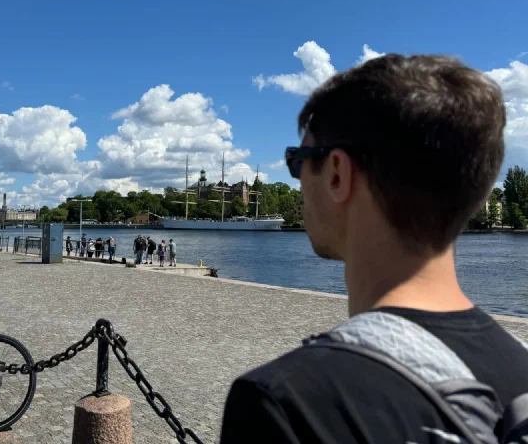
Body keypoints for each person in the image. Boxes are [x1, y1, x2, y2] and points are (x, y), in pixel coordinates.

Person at [220, 54, 528, 444]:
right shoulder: (521, 369)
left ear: (336, 173)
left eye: (297, 162)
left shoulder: (288, 402)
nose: (298, 182)